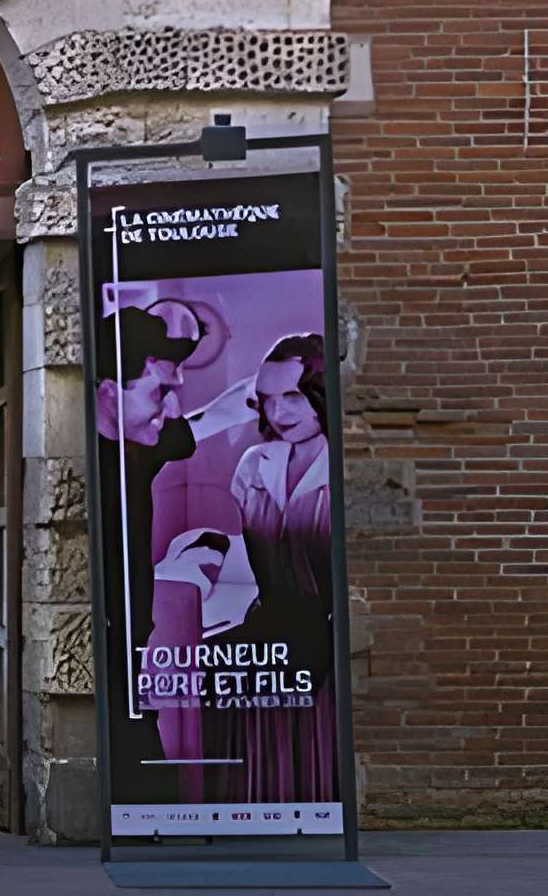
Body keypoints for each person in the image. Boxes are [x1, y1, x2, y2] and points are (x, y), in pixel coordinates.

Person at [94, 305, 202, 792]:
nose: (172, 409)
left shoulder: (145, 441)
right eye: (159, 393)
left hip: (134, 634)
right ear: (108, 393)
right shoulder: (91, 460)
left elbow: (188, 435)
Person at [230, 333, 337, 803]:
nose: (278, 412)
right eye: (268, 399)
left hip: (329, 639)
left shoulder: (343, 467)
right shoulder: (254, 466)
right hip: (270, 630)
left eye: (293, 396)